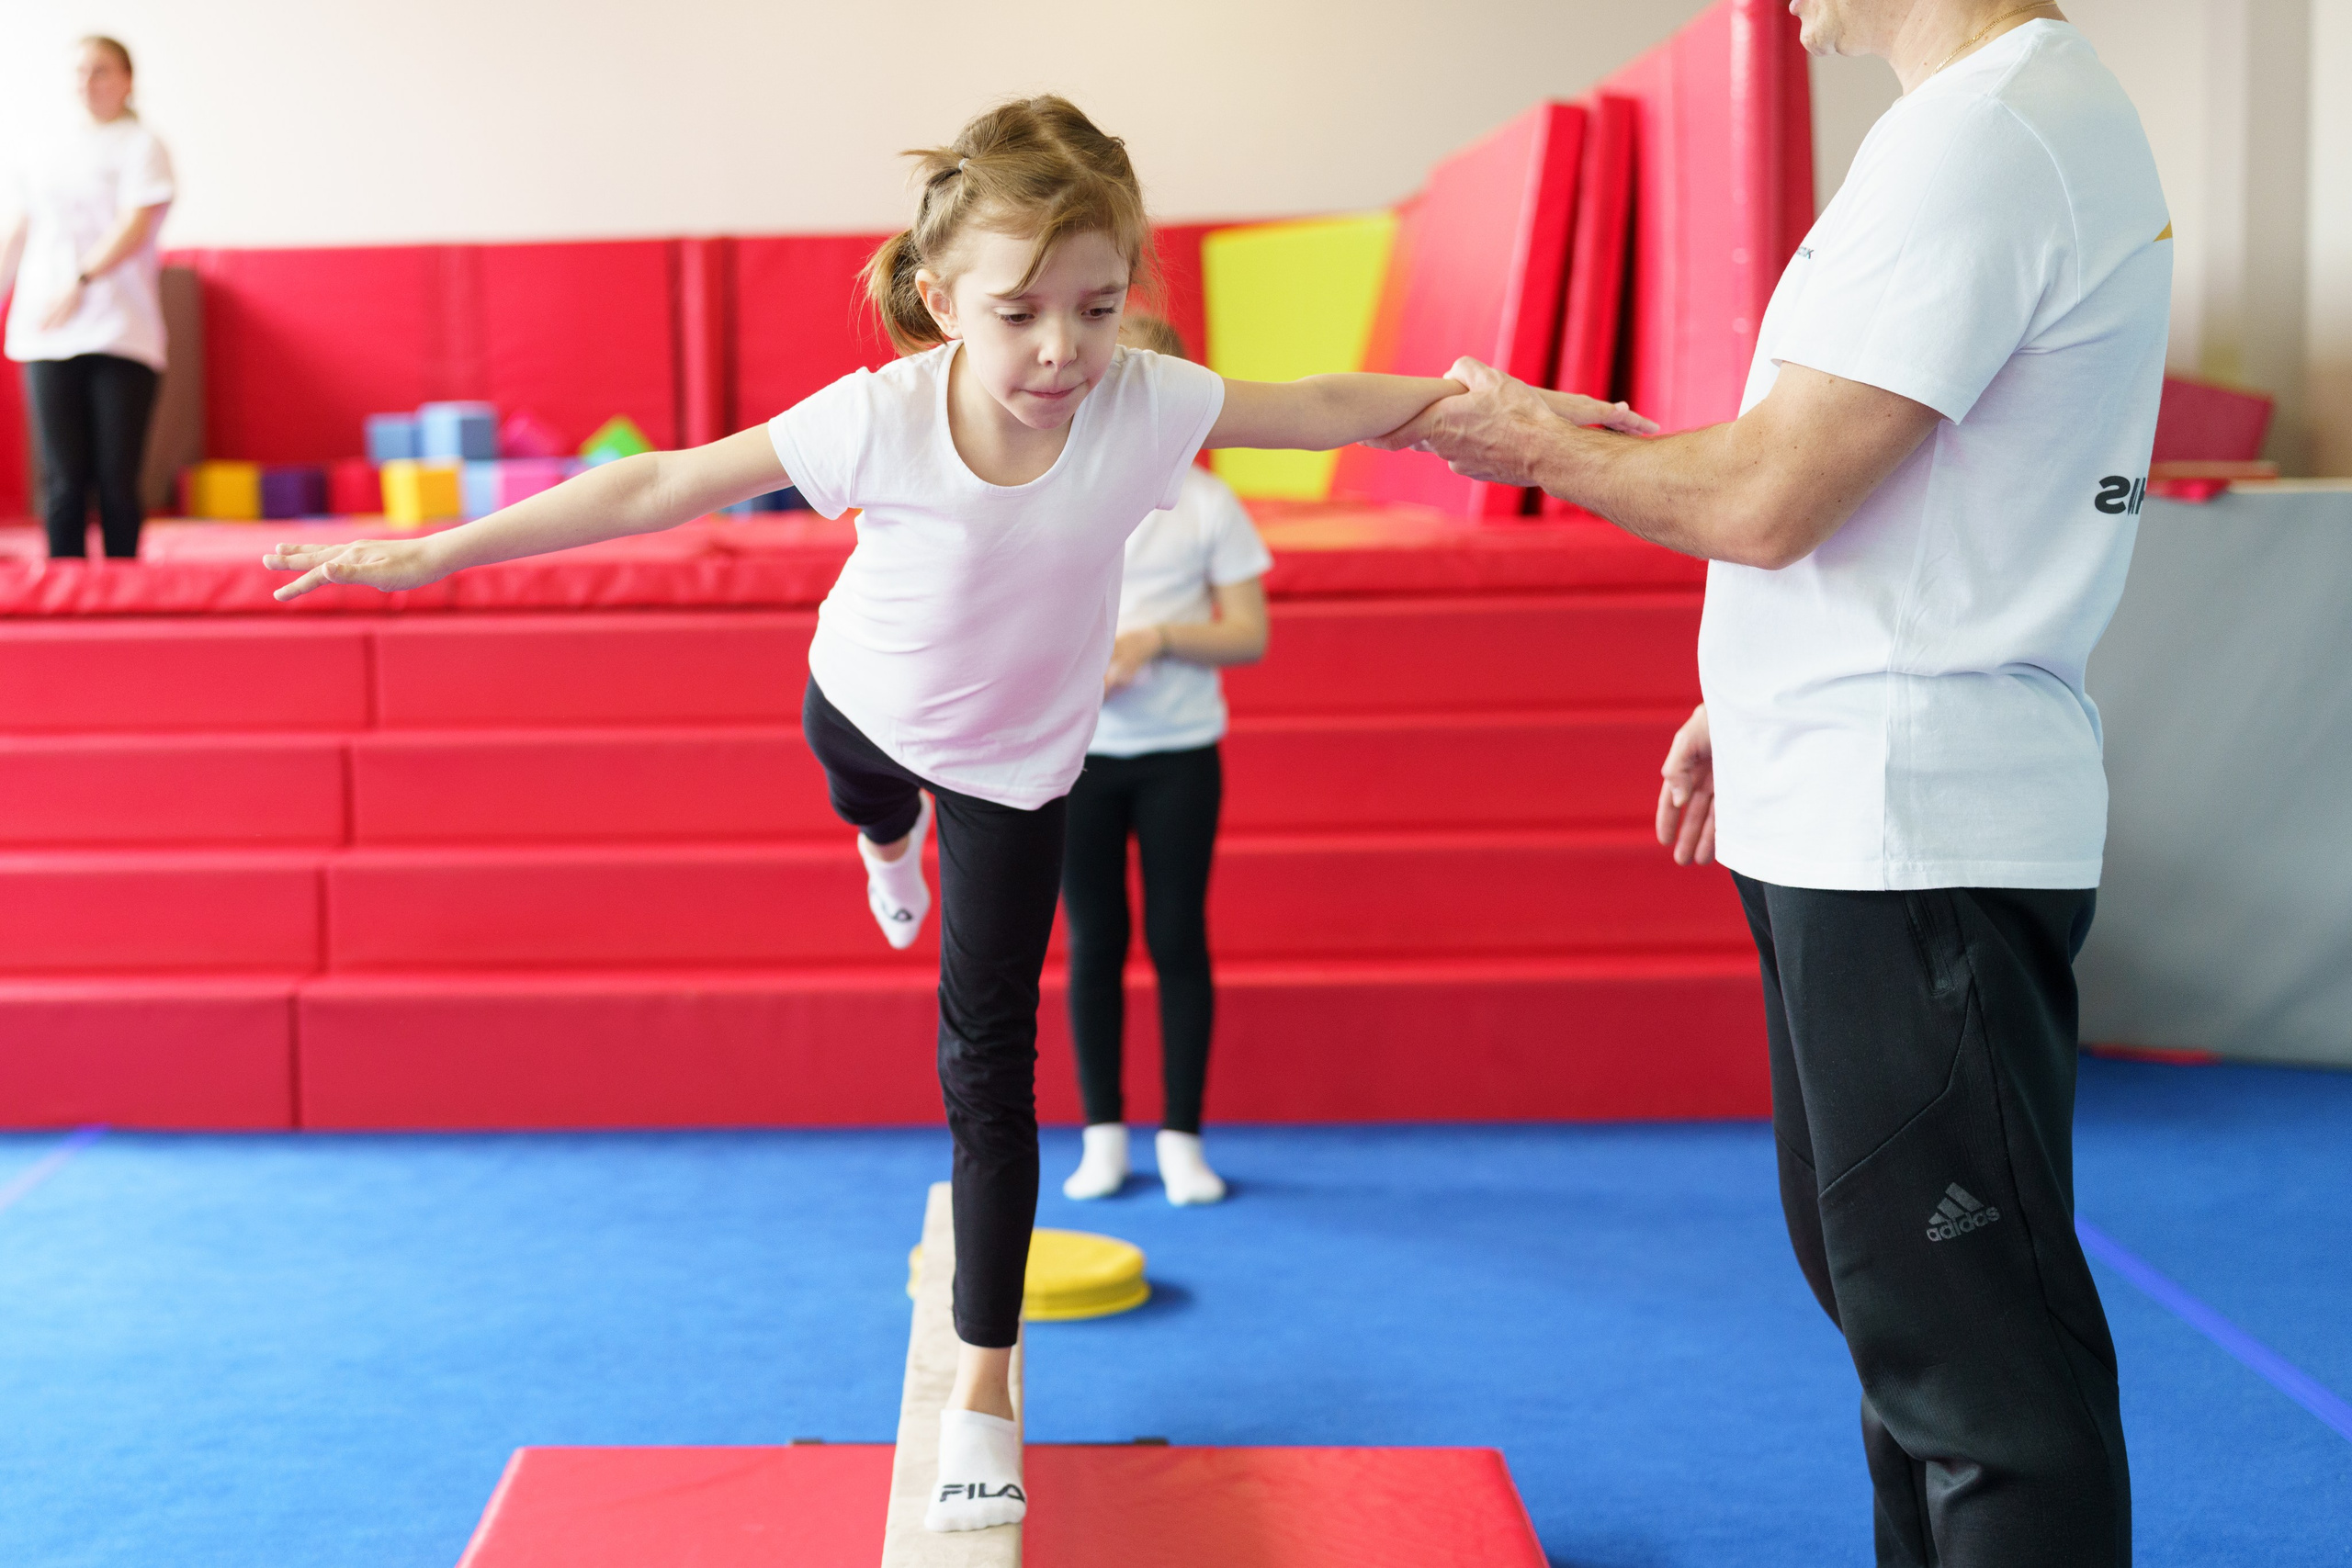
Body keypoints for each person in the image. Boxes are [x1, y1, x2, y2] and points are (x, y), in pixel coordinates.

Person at [260, 96, 1653, 1535]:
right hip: (861, 704)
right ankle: (879, 838)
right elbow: (662, 482)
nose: (1063, 348)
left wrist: (1516, 418)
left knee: (988, 1062)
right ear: (940, 303)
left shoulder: (1149, 402)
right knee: (863, 792)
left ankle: (982, 1383)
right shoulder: (877, 416)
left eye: (1098, 307)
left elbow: (1330, 404)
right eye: (1021, 312)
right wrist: (431, 554)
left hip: (1017, 770)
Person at [1379, 6, 2164, 1564]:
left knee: (1976, 1372)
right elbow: (1868, 480)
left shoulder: (1983, 139)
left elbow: (1767, 490)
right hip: (1859, 795)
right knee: (1906, 1333)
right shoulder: (1971, 126)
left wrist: (1534, 440)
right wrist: (1747, 693)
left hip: (1910, 822)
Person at [1057, 313, 1270, 1209]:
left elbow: (1247, 635)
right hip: (1076, 760)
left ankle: (1181, 1133)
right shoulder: (1055, 490)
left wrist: (1156, 638)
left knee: (1177, 938)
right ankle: (1103, 1131)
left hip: (1178, 757)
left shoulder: (1209, 504)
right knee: (1092, 942)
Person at [0, 36, 175, 560]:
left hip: (120, 330)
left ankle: (126, 601)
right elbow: (20, 228)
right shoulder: (46, 148)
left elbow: (134, 223)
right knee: (62, 482)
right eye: (80, 71)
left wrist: (79, 280)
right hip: (49, 332)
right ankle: (66, 602)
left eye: (100, 71)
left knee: (116, 479)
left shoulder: (141, 144)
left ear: (125, 80)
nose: (88, 82)